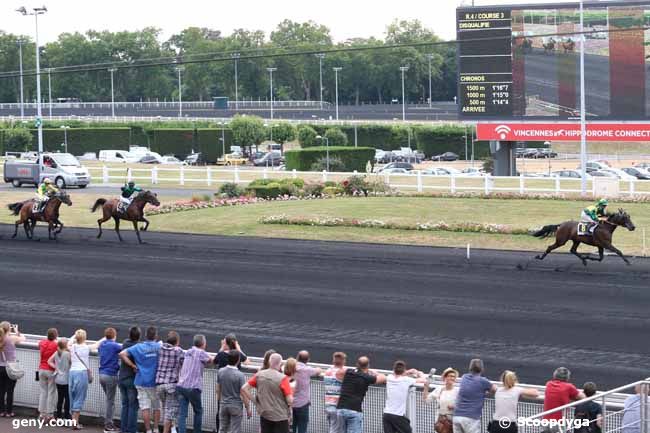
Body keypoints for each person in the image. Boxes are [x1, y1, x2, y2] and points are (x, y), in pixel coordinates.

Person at [120, 326, 162, 433]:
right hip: (154, 382)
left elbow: (122, 354)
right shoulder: (159, 346)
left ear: (145, 336)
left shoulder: (138, 347)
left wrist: (133, 366)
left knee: (145, 407)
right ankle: (156, 428)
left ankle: (148, 430)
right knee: (157, 406)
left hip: (140, 381)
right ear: (156, 336)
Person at [242, 352, 293, 433]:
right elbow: (289, 400)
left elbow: (244, 388)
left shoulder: (259, 375)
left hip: (265, 414)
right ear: (280, 364)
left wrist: (256, 402)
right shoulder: (283, 378)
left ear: (269, 361)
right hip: (280, 417)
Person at [336, 356, 387, 433]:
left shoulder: (349, 372)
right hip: (354, 410)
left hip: (340, 409)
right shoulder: (367, 377)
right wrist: (374, 372)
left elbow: (339, 373)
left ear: (357, 364)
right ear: (368, 365)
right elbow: (383, 377)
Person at [176, 334, 213, 433]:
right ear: (203, 343)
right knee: (198, 411)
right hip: (193, 388)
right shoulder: (201, 352)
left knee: (182, 414)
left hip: (181, 386)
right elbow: (211, 360)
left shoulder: (188, 351)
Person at [452, 359, 497, 433]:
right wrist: (485, 392)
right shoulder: (483, 381)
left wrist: (481, 392)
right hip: (471, 418)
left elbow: (471, 389)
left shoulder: (464, 377)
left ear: (470, 368)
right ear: (482, 369)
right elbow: (496, 390)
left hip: (457, 416)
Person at [383, 360, 426, 433]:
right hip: (398, 415)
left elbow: (396, 373)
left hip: (386, 415)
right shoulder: (406, 380)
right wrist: (420, 373)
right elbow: (423, 380)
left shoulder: (389, 377)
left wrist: (408, 371)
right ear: (404, 371)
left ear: (394, 370)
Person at [156, 331, 184, 433]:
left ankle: (172, 429)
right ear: (177, 341)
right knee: (169, 412)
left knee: (166, 409)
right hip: (171, 385)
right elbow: (184, 364)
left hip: (159, 384)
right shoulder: (179, 351)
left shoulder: (159, 347)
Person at [217, 350, 251, 433]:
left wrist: (220, 402)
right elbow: (243, 394)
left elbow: (218, 390)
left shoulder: (220, 371)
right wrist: (248, 408)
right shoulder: (240, 375)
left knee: (222, 429)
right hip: (236, 406)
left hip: (223, 405)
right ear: (238, 360)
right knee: (235, 430)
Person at [96, 328, 122, 432]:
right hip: (111, 375)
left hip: (102, 374)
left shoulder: (102, 345)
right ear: (114, 336)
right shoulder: (115, 345)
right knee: (110, 401)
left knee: (109, 400)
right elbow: (126, 350)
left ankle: (109, 422)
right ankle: (108, 424)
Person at [292, 351, 322, 433]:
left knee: (292, 427)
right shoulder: (307, 370)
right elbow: (318, 370)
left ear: (297, 358)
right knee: (302, 427)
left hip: (289, 403)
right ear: (308, 360)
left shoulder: (289, 367)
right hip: (302, 404)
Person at [0, 322, 25, 418]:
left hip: (0, 367)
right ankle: (9, 412)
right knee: (10, 391)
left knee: (1, 391)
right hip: (10, 368)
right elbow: (23, 338)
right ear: (8, 329)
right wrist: (17, 331)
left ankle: (1, 411)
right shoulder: (12, 338)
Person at [118, 326, 141, 433]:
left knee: (125, 404)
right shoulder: (138, 346)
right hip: (131, 379)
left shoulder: (125, 342)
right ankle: (131, 430)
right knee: (133, 406)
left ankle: (123, 429)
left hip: (122, 377)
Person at [68, 329, 92, 431]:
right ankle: (75, 423)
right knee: (79, 398)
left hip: (72, 373)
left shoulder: (72, 347)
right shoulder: (86, 347)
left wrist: (74, 335)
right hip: (81, 373)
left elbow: (69, 342)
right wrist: (105, 338)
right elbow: (97, 345)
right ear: (84, 338)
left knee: (73, 397)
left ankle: (74, 421)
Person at [424, 367, 459, 433]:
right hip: (441, 423)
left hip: (453, 423)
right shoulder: (439, 389)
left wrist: (454, 407)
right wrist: (426, 388)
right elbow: (426, 401)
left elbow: (464, 406)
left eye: (454, 376)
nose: (452, 378)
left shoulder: (458, 391)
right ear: (445, 378)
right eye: (450, 376)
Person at [38, 328, 59, 421]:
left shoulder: (42, 342)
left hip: (41, 369)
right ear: (56, 335)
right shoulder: (56, 344)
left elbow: (41, 344)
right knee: (51, 392)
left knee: (43, 392)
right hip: (51, 370)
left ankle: (41, 414)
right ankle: (50, 414)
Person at [47, 339, 71, 420]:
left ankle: (59, 416)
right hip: (66, 379)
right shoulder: (68, 354)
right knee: (67, 398)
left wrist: (56, 368)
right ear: (66, 345)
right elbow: (71, 363)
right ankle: (66, 416)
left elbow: (49, 361)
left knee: (60, 398)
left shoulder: (56, 353)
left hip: (58, 378)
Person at [324, 352, 347, 433]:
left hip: (328, 405)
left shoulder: (327, 371)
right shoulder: (342, 373)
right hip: (337, 407)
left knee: (333, 428)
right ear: (343, 361)